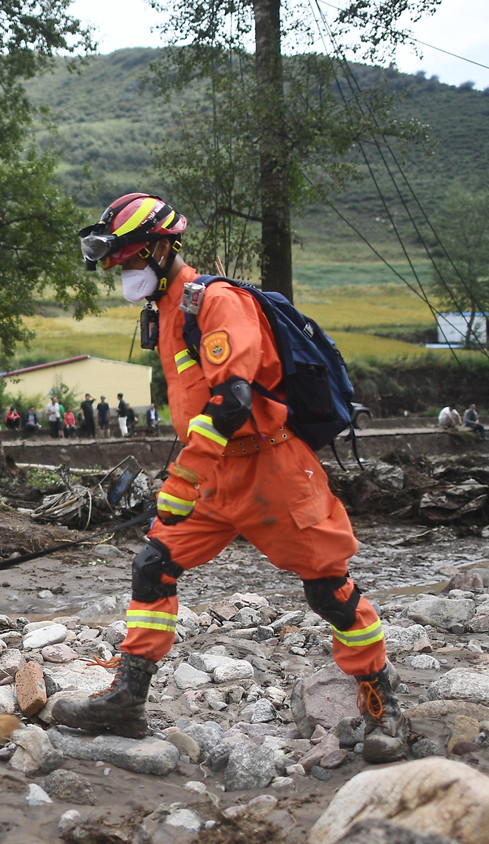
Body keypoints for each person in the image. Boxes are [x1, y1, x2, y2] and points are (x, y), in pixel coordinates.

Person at [55, 193, 400, 755]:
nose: (126, 273)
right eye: (120, 265)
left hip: (271, 468)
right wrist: (192, 475)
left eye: (133, 261)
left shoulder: (216, 301)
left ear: (164, 249)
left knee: (330, 591)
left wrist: (183, 478)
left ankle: (379, 701)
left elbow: (235, 399)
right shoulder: (167, 310)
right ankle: (127, 702)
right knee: (152, 566)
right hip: (217, 474)